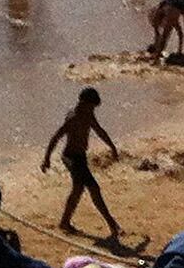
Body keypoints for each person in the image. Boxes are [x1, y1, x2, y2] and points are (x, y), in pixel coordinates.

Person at [42, 88, 123, 243]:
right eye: (91, 106)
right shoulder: (73, 118)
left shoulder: (88, 114)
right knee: (93, 188)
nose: (92, 110)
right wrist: (47, 159)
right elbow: (56, 137)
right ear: (84, 103)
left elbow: (99, 131)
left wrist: (112, 146)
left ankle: (64, 222)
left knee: (78, 189)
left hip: (81, 156)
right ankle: (111, 223)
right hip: (71, 157)